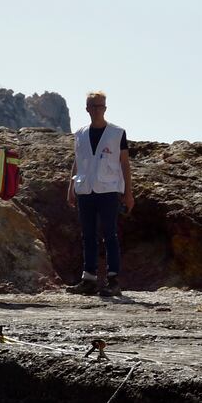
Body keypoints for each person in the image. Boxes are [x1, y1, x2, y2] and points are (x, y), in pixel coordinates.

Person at [67, 91, 133, 296]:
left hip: (109, 190)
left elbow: (124, 163)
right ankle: (89, 279)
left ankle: (113, 280)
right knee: (88, 235)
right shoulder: (79, 134)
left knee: (110, 234)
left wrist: (128, 193)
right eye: (93, 106)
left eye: (100, 106)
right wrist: (70, 188)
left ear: (105, 108)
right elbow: (78, 161)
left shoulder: (117, 133)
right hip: (86, 189)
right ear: (87, 109)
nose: (97, 110)